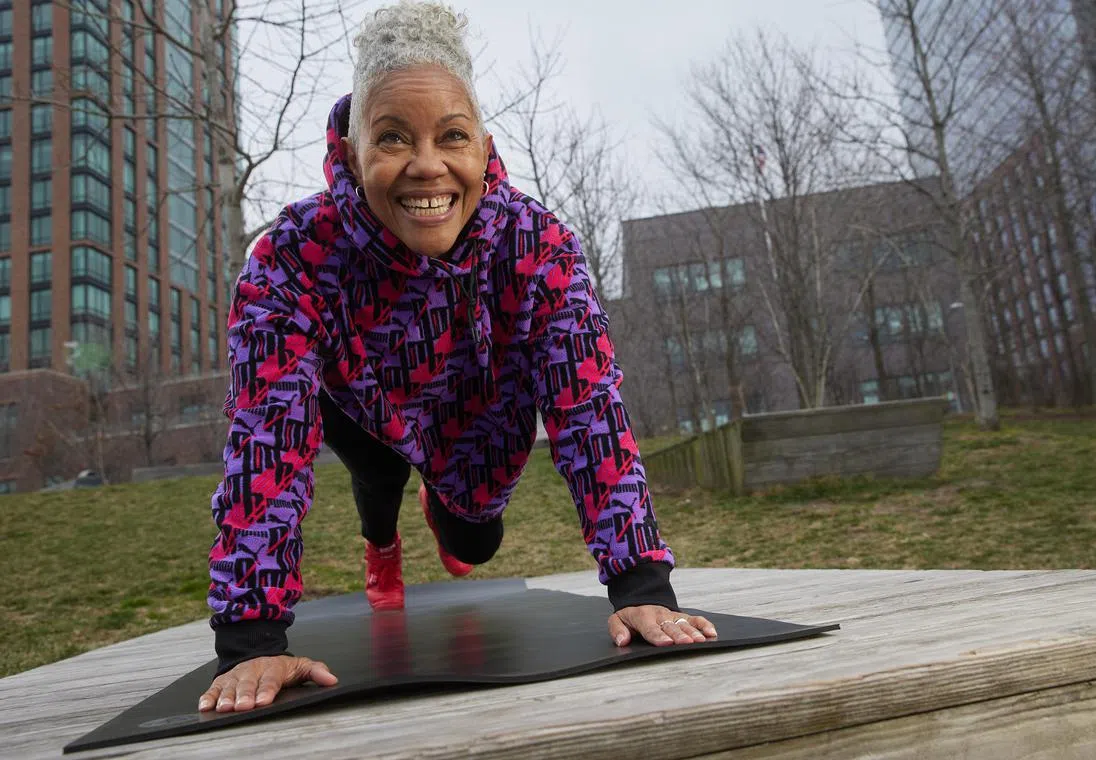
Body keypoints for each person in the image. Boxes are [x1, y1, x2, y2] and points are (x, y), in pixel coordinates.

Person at [197, 0, 717, 715]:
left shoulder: (539, 250)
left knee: (477, 541)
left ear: (483, 147)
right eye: (392, 138)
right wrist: (251, 642)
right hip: (361, 402)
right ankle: (383, 542)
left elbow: (588, 409)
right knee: (376, 479)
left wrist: (641, 588)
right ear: (352, 153)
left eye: (452, 137)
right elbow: (265, 439)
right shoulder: (291, 259)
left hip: (474, 408)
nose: (427, 166)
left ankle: (442, 504)